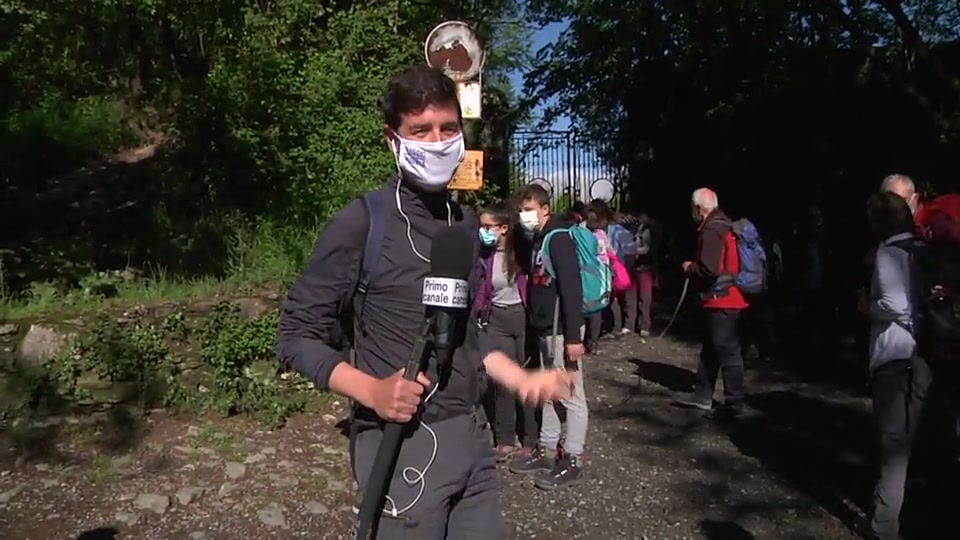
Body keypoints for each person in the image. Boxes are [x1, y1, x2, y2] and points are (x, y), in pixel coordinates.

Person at [276, 66, 571, 539]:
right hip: (401, 449)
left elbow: (464, 332)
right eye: (421, 130)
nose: (438, 142)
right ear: (393, 139)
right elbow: (294, 337)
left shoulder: (463, 224)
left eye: (448, 128)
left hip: (473, 443)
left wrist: (519, 377)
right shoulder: (361, 223)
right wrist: (370, 391)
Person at [859, 191, 932, 540]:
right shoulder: (925, 250)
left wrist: (867, 307)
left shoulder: (889, 252)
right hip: (929, 354)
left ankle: (883, 526)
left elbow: (893, 303)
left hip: (896, 355)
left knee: (893, 444)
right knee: (918, 440)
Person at [508, 184, 588, 491]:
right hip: (545, 329)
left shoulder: (559, 239)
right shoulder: (539, 240)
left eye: (529, 209)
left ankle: (573, 457)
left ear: (545, 209)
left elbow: (571, 287)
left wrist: (573, 336)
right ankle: (548, 449)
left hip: (561, 331)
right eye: (521, 210)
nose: (524, 215)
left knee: (571, 395)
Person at [672, 188, 749, 420]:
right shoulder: (724, 224)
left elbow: (709, 268)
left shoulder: (712, 229)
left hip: (723, 298)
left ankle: (734, 403)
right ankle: (703, 394)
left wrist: (689, 267)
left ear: (698, 208)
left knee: (728, 351)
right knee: (711, 349)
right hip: (726, 297)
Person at [475, 201, 535, 462]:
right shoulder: (484, 254)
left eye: (489, 227)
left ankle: (531, 437)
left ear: (504, 228)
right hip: (496, 318)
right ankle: (505, 439)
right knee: (503, 381)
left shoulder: (522, 251)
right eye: (482, 226)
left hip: (522, 318)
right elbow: (480, 289)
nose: (484, 231)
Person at [583, 201, 614, 353]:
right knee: (596, 309)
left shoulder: (583, 234)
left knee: (584, 306)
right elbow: (610, 252)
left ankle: (585, 339)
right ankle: (593, 342)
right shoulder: (602, 235)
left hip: (587, 273)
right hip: (601, 275)